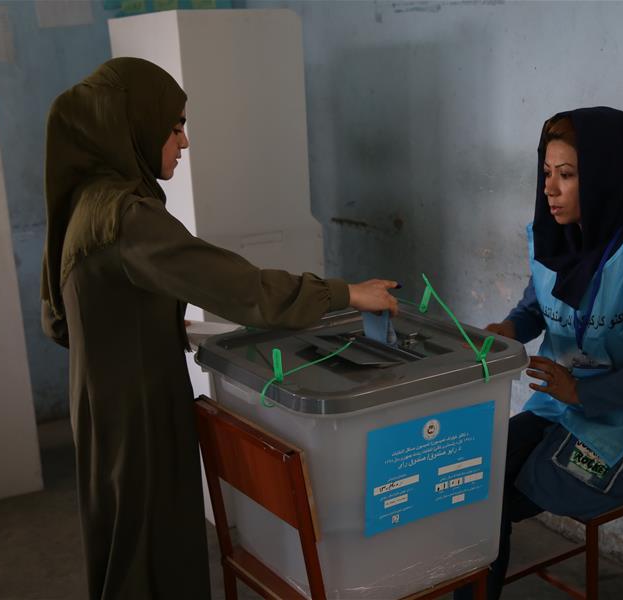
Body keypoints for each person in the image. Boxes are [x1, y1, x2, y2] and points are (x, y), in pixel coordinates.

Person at [40, 57, 398, 600]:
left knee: (124, 533)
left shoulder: (89, 202)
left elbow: (86, 308)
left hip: (102, 396)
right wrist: (346, 293)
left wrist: (156, 322)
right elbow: (242, 288)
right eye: (175, 125)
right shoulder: (126, 216)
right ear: (134, 123)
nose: (183, 142)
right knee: (149, 541)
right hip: (135, 409)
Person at [455, 107, 623, 600]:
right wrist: (506, 329)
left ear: (605, 177)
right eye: (546, 173)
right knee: (471, 485)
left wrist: (580, 389)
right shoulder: (555, 238)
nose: (549, 190)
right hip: (557, 407)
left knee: (491, 504)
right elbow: (538, 305)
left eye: (567, 176)